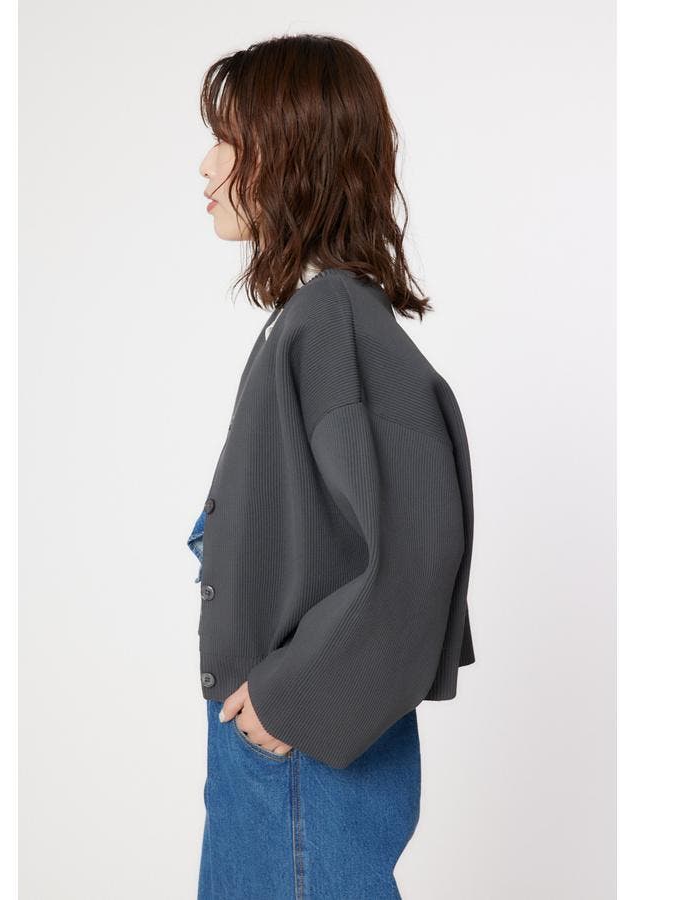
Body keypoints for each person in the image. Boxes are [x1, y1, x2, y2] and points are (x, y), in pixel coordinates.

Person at [191, 34, 476, 900]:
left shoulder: (334, 322)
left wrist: (292, 699)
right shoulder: (311, 319)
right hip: (280, 751)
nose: (207, 166)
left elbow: (415, 550)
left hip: (303, 753)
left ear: (290, 152)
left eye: (228, 140)